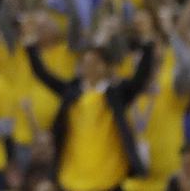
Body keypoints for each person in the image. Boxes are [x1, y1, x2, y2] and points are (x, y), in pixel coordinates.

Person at [23, 15, 157, 191]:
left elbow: (141, 77)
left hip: (109, 178)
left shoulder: (116, 93)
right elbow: (43, 74)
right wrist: (30, 42)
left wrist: (147, 41)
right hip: (73, 178)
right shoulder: (71, 92)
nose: (89, 66)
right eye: (85, 62)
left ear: (106, 66)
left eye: (95, 62)